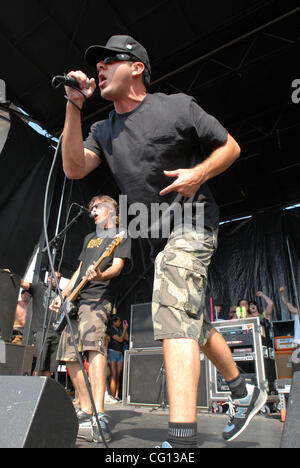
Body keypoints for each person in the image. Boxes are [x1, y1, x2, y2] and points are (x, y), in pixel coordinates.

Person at [60, 35, 267, 447]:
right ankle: (245, 391)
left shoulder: (176, 106)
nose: (99, 68)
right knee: (187, 318)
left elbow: (231, 147)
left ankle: (181, 440)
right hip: (159, 233)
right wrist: (74, 105)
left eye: (110, 60)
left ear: (136, 67)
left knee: (172, 305)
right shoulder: (103, 129)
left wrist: (198, 174)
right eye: (96, 64)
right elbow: (73, 168)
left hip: (195, 222)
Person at [51, 195, 131, 444]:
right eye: (91, 208)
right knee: (68, 355)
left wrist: (99, 275)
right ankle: (85, 408)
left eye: (97, 207)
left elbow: (117, 266)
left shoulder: (120, 235)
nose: (93, 211)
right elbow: (77, 271)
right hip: (75, 299)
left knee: (94, 349)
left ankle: (100, 413)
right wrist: (62, 295)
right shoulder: (89, 238)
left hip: (98, 298)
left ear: (110, 210)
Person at [21, 272, 62, 377]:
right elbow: (24, 284)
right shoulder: (39, 287)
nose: (54, 279)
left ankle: (43, 390)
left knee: (50, 367)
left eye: (58, 277)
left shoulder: (62, 293)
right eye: (52, 277)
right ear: (48, 278)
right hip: (41, 330)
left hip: (56, 332)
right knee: (39, 364)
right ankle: (34, 389)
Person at [107, 315, 129, 400]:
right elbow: (120, 339)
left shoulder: (120, 330)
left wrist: (125, 329)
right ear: (114, 322)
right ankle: (112, 396)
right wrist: (123, 331)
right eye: (118, 321)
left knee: (118, 375)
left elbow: (126, 338)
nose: (120, 322)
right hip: (113, 352)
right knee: (113, 375)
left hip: (120, 353)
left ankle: (116, 395)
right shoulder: (110, 330)